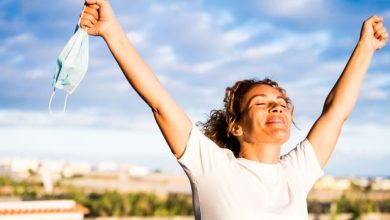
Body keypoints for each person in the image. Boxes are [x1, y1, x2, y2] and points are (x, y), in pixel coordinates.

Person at [79, 0, 388, 219]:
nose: (277, 108)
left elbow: (335, 112)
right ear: (236, 127)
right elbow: (160, 103)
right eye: (262, 103)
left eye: (282, 103)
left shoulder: (295, 173)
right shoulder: (213, 168)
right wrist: (112, 32)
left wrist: (365, 47)